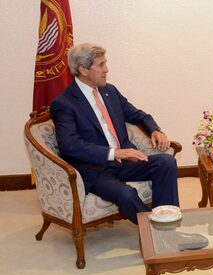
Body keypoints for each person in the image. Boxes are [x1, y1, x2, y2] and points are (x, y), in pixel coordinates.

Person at [51, 43, 179, 224]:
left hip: (125, 161)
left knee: (166, 162)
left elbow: (137, 114)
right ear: (83, 70)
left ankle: (169, 220)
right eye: (101, 65)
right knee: (126, 194)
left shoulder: (109, 91)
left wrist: (155, 129)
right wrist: (115, 153)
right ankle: (157, 230)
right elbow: (69, 145)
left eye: (106, 63)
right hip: (95, 170)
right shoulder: (64, 103)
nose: (107, 69)